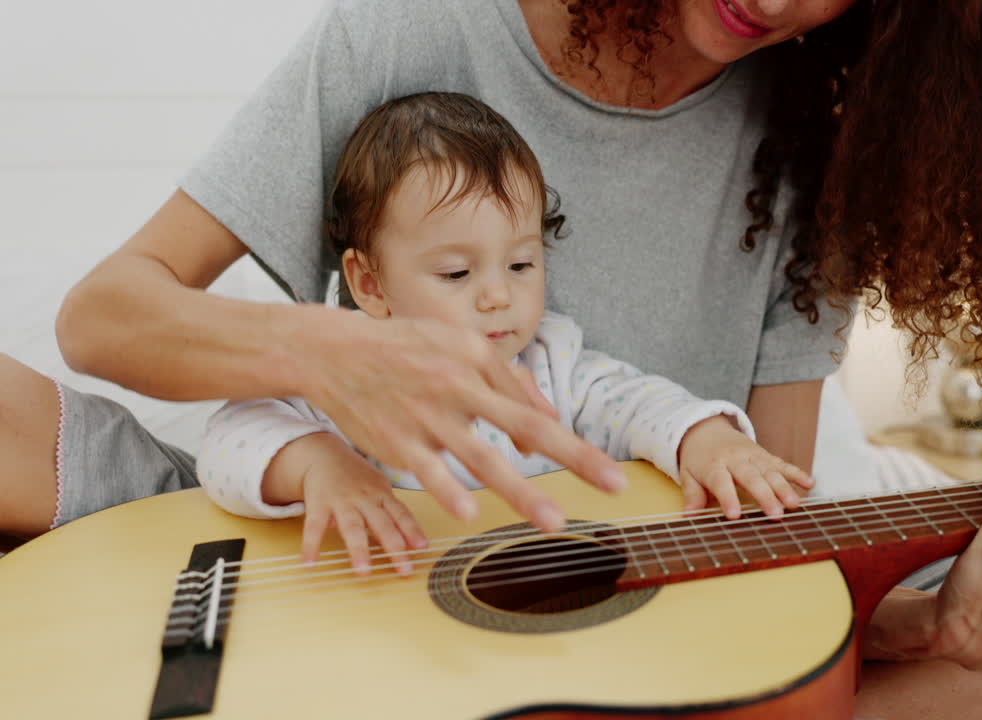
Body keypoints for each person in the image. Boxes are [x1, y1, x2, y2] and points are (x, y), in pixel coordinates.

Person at [0, 1, 982, 717]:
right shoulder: (416, 27)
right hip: (296, 537)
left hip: (607, 638)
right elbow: (106, 314)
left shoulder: (813, 149)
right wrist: (330, 360)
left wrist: (929, 630)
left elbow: (769, 553)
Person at [198, 91, 812, 575]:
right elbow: (228, 436)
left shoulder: (550, 362)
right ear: (370, 284)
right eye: (456, 272)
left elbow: (636, 403)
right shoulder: (342, 374)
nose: (498, 295)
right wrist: (318, 464)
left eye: (521, 264)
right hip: (379, 617)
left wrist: (705, 438)